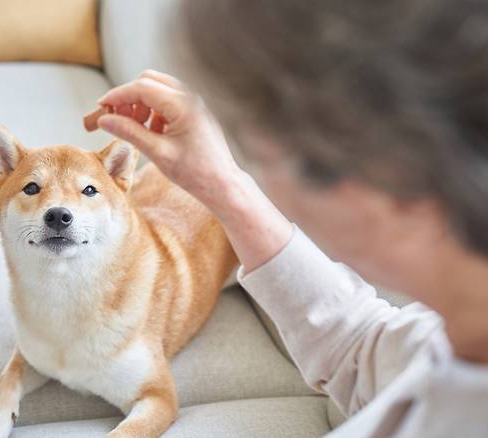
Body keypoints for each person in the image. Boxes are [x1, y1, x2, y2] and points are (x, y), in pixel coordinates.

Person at [86, 0, 488, 436]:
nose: (268, 186)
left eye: (259, 156)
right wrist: (224, 186)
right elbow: (363, 349)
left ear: (390, 178)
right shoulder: (465, 329)